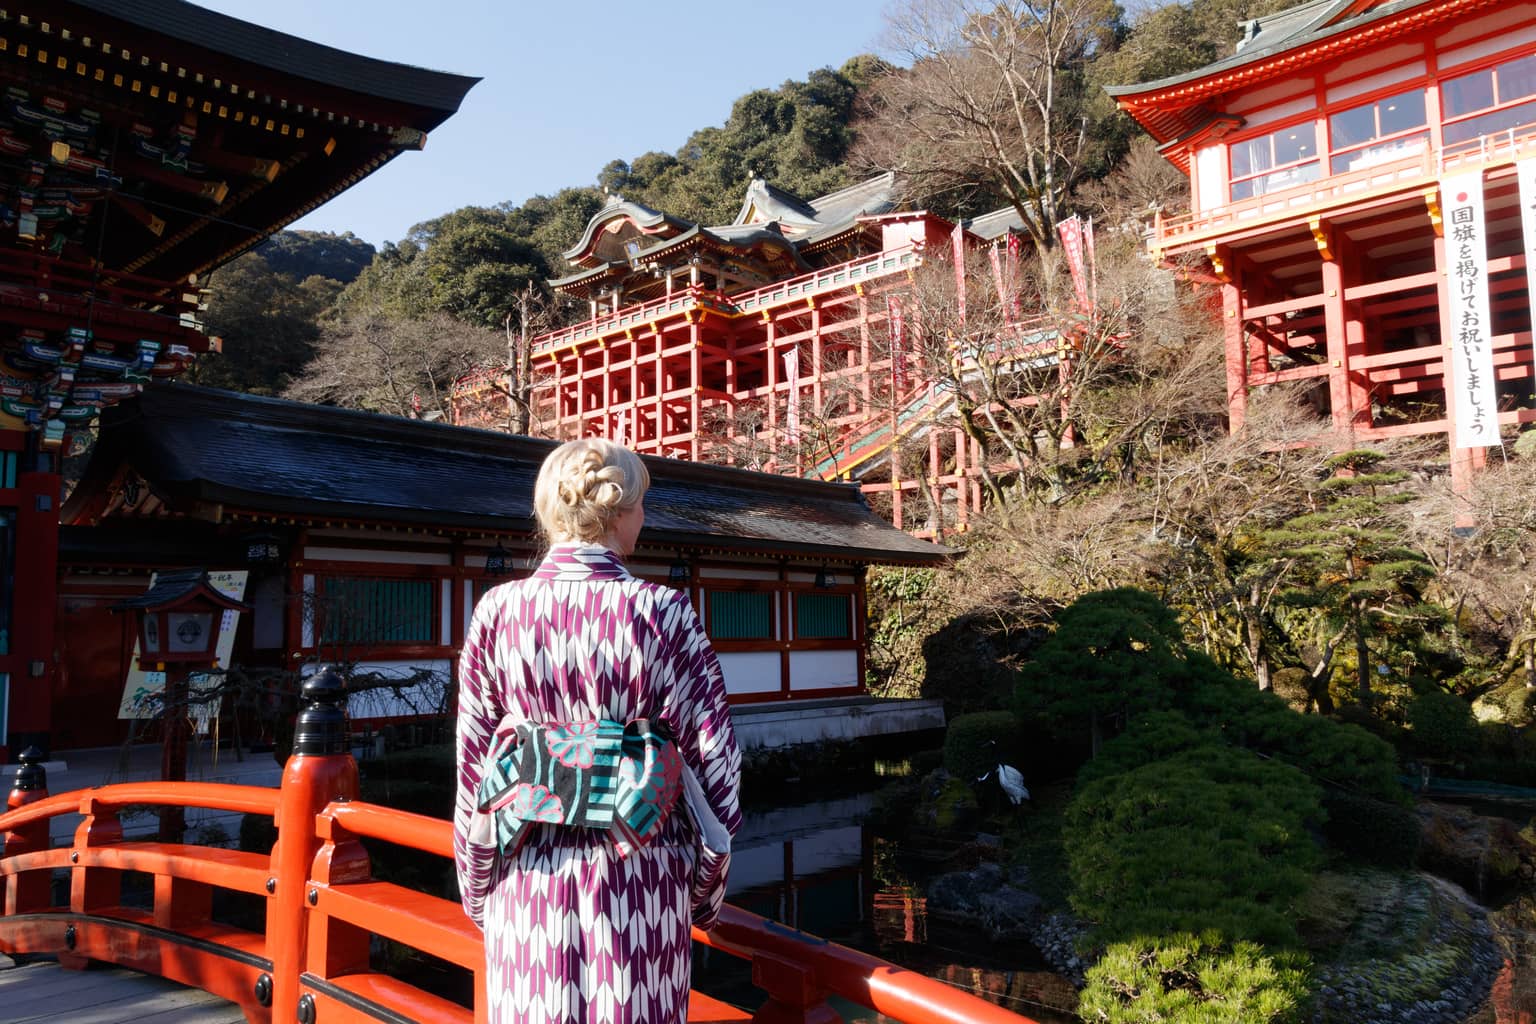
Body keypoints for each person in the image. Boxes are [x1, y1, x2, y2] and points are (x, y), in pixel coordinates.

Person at [453, 438, 741, 1024]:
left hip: (526, 878)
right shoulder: (662, 611)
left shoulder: (498, 610)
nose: (644, 519)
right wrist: (704, 892)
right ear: (621, 512)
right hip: (638, 877)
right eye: (643, 506)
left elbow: (475, 761)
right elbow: (715, 761)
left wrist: (478, 883)